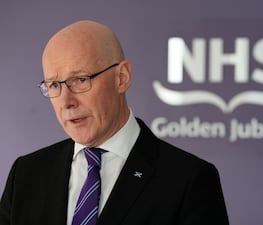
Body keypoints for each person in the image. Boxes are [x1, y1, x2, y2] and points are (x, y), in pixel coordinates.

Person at [0, 20, 229, 225]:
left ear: (122, 78)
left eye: (80, 80)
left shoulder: (189, 180)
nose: (66, 101)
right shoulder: (26, 174)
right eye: (54, 85)